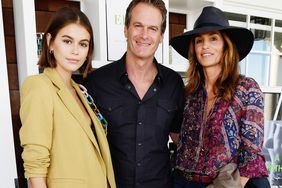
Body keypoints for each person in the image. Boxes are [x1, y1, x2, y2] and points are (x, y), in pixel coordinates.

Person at [83, 0, 184, 187]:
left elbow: (181, 140)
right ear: (126, 29)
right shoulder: (96, 82)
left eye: (153, 28)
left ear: (161, 36)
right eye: (138, 26)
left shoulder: (174, 84)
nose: (144, 35)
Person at [170, 6, 270, 188]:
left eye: (213, 38)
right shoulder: (189, 93)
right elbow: (177, 134)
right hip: (183, 181)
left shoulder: (246, 88)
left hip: (226, 184)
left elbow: (251, 152)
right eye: (199, 40)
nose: (205, 46)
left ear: (226, 46)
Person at [19, 7, 116, 188]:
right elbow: (35, 162)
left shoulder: (80, 91)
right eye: (67, 41)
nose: (75, 51)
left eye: (83, 44)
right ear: (50, 41)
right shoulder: (39, 86)